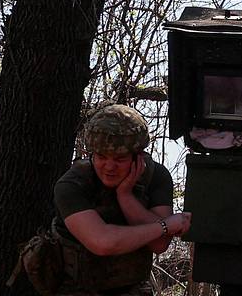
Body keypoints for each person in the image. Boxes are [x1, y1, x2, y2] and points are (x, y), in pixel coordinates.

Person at [50, 104, 192, 295]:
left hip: (132, 288)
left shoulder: (155, 177)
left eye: (120, 159)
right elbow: (102, 242)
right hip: (77, 288)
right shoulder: (72, 184)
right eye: (101, 157)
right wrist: (164, 226)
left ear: (138, 157)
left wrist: (125, 196)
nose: (109, 166)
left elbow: (158, 245)